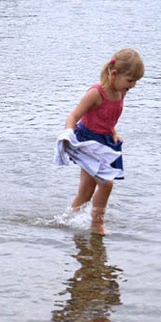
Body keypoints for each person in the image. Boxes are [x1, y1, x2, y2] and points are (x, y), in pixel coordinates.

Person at [60, 49, 145, 235]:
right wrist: (67, 134)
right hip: (87, 142)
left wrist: (113, 132)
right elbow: (74, 115)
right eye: (130, 80)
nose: (133, 85)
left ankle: (66, 222)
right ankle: (96, 224)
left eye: (136, 81)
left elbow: (107, 117)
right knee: (106, 184)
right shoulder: (96, 93)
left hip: (105, 142)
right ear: (114, 74)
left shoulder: (121, 92)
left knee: (87, 189)